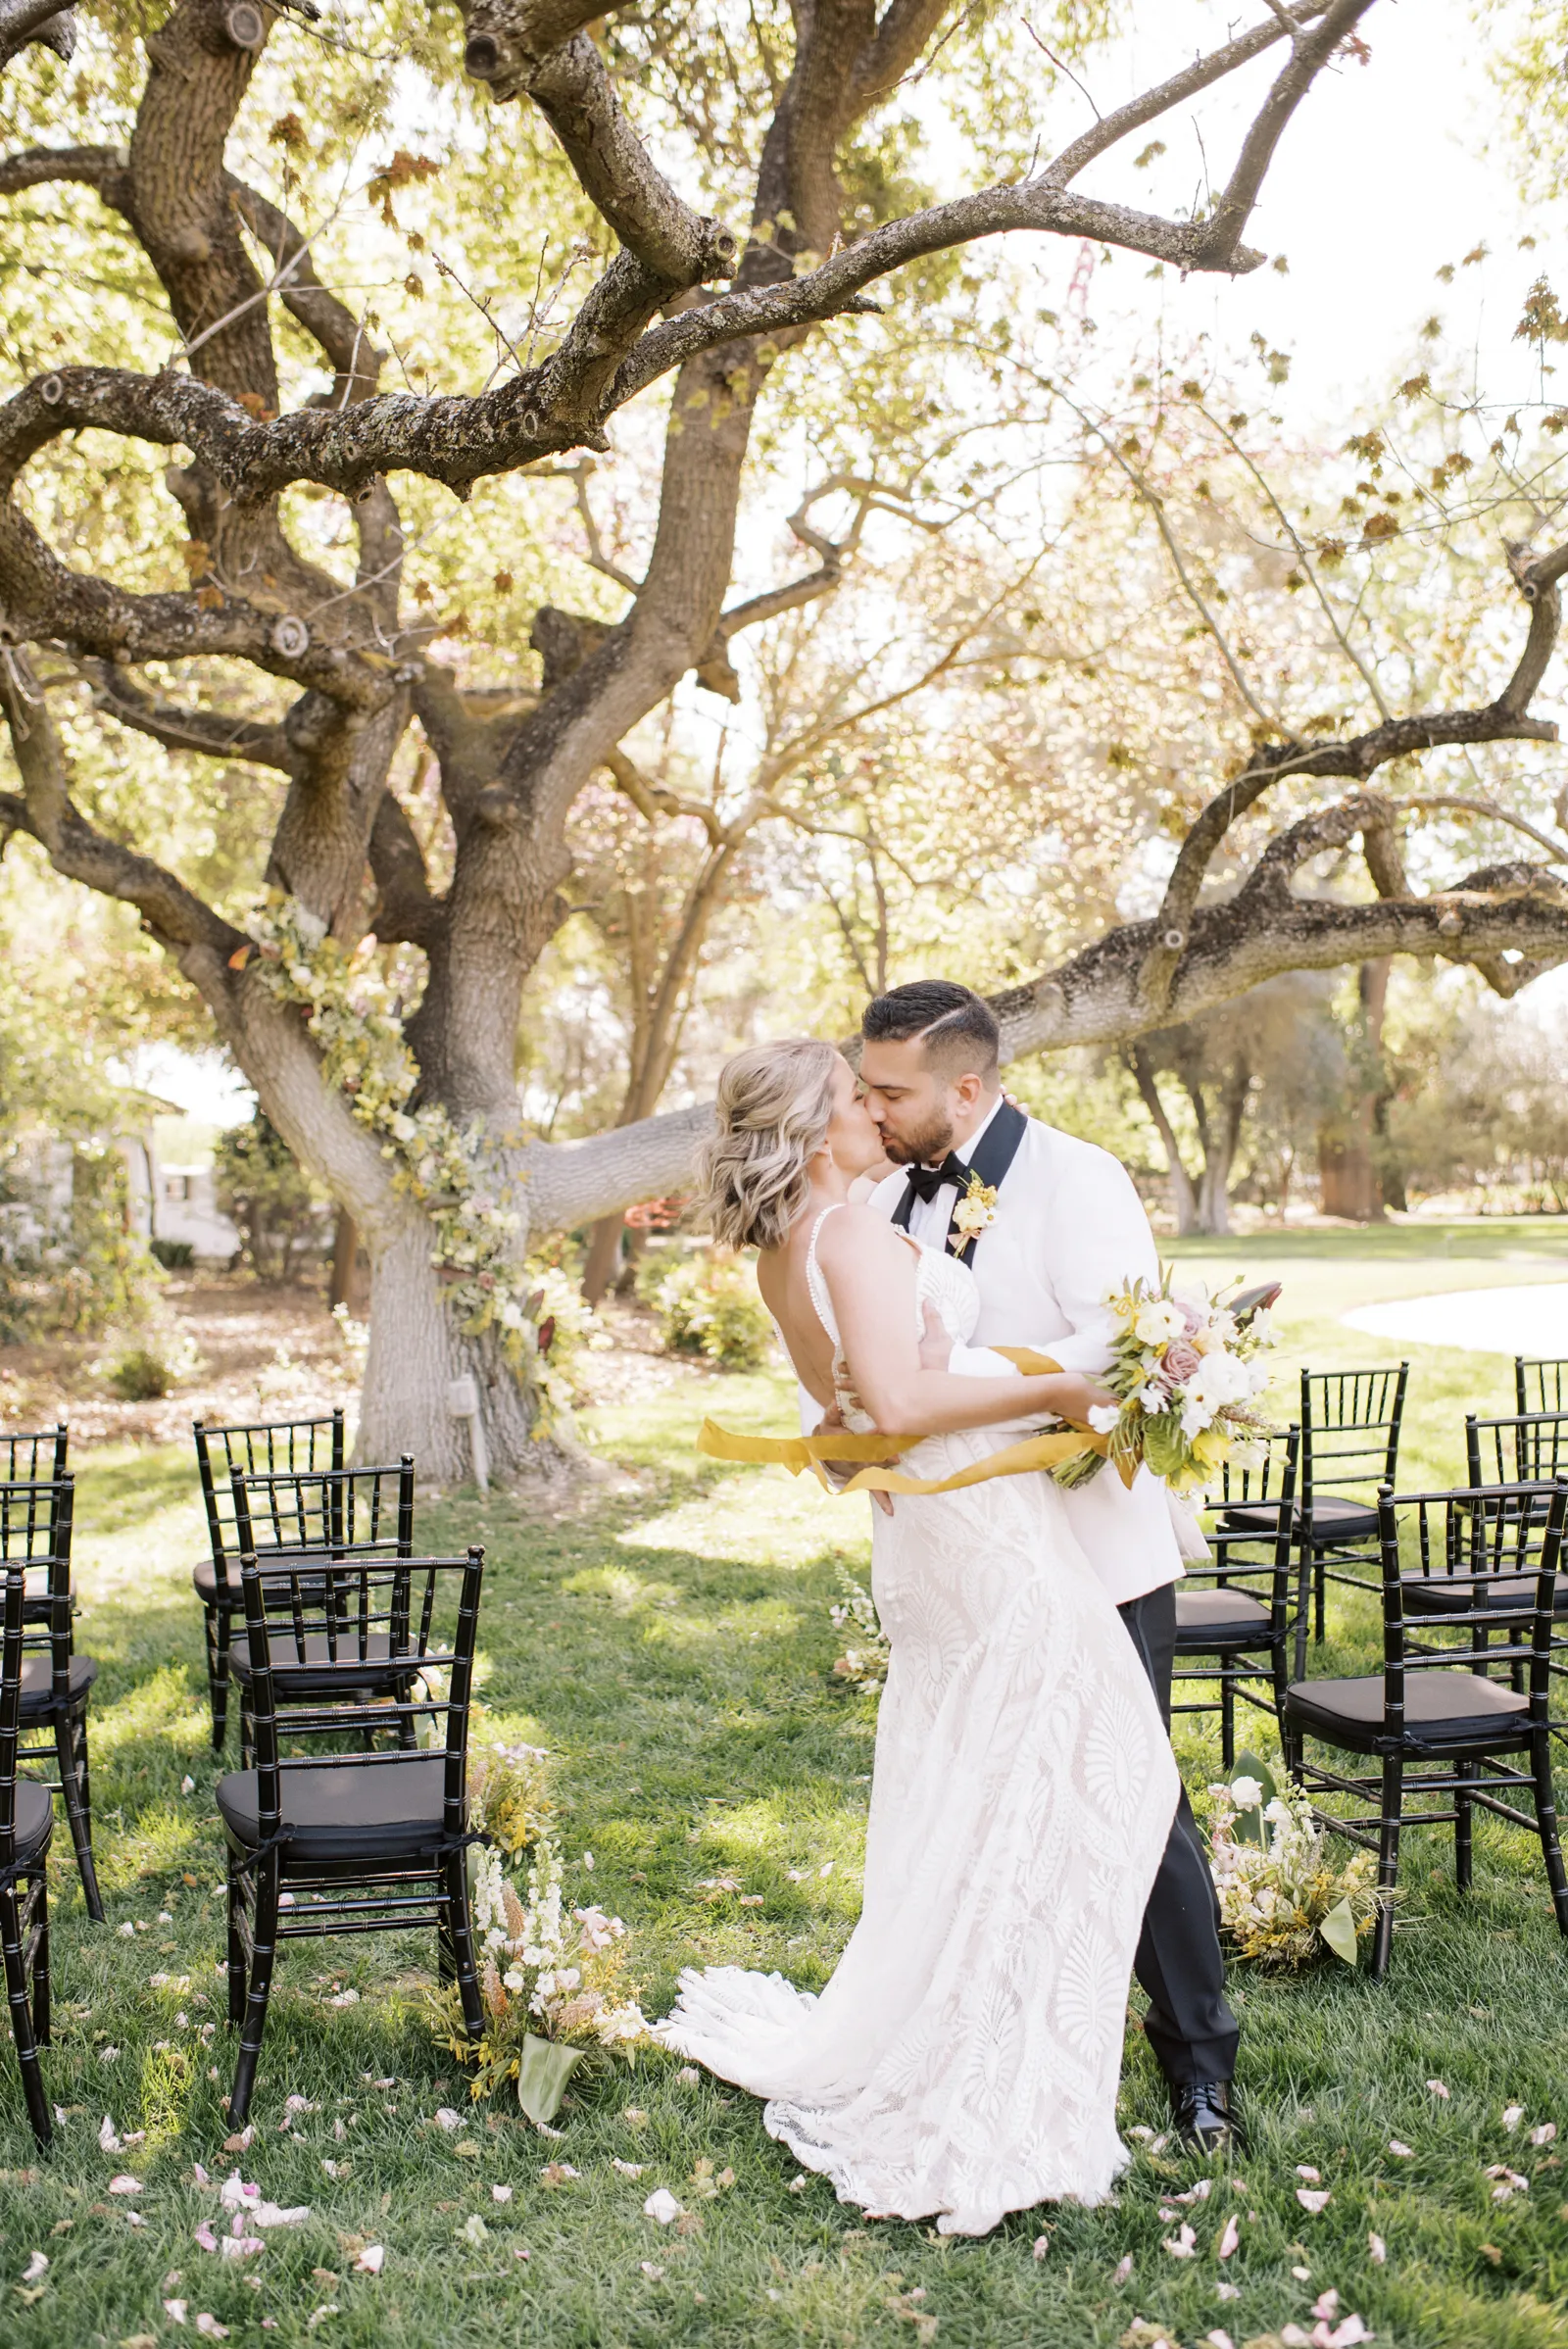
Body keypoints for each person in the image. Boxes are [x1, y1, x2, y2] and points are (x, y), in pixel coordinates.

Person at [654, 1035, 1178, 2235]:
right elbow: (891, 1406)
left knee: (981, 1778)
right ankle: (986, 2060)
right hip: (986, 1541)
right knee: (1100, 1770)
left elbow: (848, 1438)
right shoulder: (849, 1233)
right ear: (810, 1126)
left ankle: (967, 2019)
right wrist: (1051, 1392)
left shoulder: (786, 1251)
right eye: (853, 1098)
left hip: (928, 1545)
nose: (875, 1114)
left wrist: (914, 1424)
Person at [855, 978, 1242, 2154]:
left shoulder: (1080, 1180)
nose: (869, 1109)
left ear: (965, 1087)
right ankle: (996, 2040)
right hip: (963, 1556)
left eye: (890, 1090)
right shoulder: (880, 1195)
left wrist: (955, 1377)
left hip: (1087, 1545)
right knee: (982, 1794)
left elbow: (1124, 1348)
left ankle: (1200, 2069)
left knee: (1131, 1798)